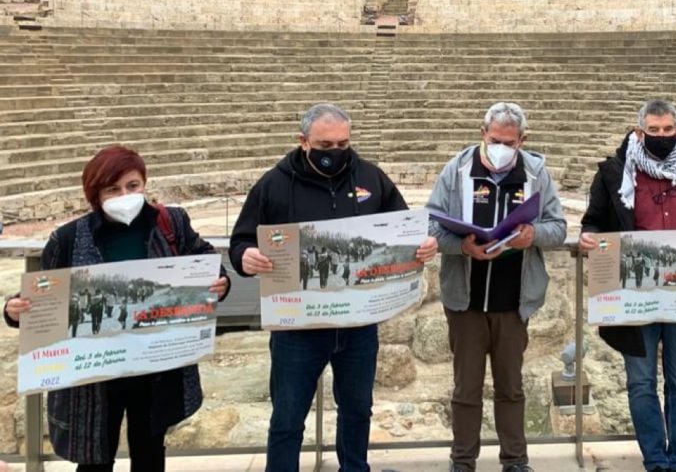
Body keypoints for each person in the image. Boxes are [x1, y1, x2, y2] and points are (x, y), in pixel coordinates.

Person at [229, 103, 438, 472]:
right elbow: (241, 242)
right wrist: (246, 256)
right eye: (325, 146)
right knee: (288, 417)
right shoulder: (273, 185)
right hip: (297, 327)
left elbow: (406, 228)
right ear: (303, 141)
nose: (336, 153)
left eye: (343, 144)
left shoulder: (371, 178)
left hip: (358, 326)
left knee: (357, 410)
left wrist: (422, 245)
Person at [3, 145, 230, 472]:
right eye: (113, 188)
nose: (125, 195)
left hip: (154, 367)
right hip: (95, 376)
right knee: (94, 458)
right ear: (95, 194)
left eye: (133, 186)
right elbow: (41, 296)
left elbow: (204, 261)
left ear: (144, 184)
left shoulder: (171, 223)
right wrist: (14, 310)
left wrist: (220, 281)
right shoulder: (67, 239)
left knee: (150, 452)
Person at [579, 99, 676, 472]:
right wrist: (588, 237)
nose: (661, 137)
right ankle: (655, 461)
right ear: (639, 132)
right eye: (653, 131)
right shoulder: (614, 175)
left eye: (667, 130)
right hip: (635, 297)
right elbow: (594, 220)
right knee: (641, 382)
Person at [427, 102, 567, 472]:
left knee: (511, 387)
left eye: (509, 141)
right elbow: (430, 226)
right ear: (482, 134)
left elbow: (559, 228)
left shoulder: (536, 173)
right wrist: (463, 246)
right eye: (494, 140)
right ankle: (462, 462)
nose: (501, 147)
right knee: (466, 390)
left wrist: (532, 235)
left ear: (522, 140)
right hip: (466, 301)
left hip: (512, 303)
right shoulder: (457, 169)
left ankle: (516, 461)